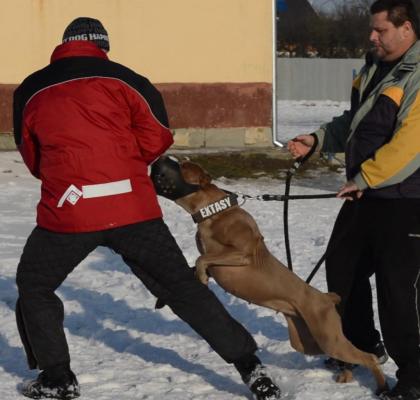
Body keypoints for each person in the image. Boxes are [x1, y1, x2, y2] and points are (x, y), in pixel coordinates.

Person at [13, 17, 281, 400]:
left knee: (34, 285)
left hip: (69, 211)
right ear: (102, 47)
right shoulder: (127, 80)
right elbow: (157, 139)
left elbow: (34, 157)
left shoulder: (31, 88)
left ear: (63, 45)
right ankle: (250, 366)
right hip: (132, 209)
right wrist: (120, 161)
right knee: (182, 288)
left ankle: (57, 377)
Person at [287, 1, 420, 399]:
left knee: (398, 290)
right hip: (365, 194)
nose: (372, 36)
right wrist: (318, 139)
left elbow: (411, 144)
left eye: (380, 30)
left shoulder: (415, 75)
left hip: (406, 198)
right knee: (343, 271)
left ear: (407, 28)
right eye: (372, 30)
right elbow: (354, 121)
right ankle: (360, 344)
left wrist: (366, 177)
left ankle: (414, 375)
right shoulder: (375, 67)